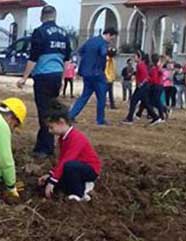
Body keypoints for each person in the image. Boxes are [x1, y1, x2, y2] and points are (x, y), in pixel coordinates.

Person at [16, 5, 71, 159]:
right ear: (55, 16)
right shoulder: (64, 34)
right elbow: (67, 60)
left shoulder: (39, 32)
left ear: (42, 17)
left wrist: (24, 77)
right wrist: (61, 78)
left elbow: (33, 57)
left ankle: (46, 149)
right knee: (50, 108)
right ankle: (42, 144)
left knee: (44, 113)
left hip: (43, 77)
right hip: (56, 77)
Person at [37, 99, 101, 202]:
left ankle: (79, 194)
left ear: (61, 122)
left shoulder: (76, 138)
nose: (49, 131)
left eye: (51, 127)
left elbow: (66, 160)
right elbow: (62, 160)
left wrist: (53, 181)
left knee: (69, 166)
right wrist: (51, 175)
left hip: (89, 169)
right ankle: (75, 186)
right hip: (74, 169)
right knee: (55, 179)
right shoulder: (62, 139)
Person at [69, 27, 118, 125]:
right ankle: (100, 119)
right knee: (102, 97)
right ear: (108, 34)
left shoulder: (91, 40)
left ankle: (71, 115)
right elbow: (104, 52)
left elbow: (80, 51)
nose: (111, 41)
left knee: (84, 96)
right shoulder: (103, 43)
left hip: (86, 73)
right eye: (112, 38)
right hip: (97, 73)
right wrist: (111, 51)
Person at [122, 51, 162, 125]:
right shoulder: (140, 64)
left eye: (135, 56)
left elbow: (145, 76)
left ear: (139, 57)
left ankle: (130, 118)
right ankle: (156, 117)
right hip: (142, 86)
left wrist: (141, 84)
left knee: (134, 101)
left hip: (142, 86)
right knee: (145, 103)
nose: (134, 58)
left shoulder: (140, 65)